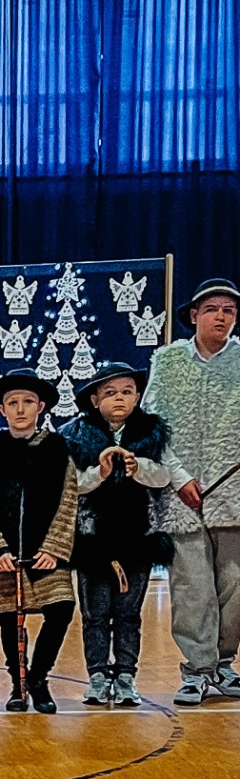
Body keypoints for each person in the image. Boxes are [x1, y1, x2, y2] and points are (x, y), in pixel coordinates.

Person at [142, 278, 240, 705]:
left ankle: (224, 664)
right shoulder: (167, 361)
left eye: (229, 311)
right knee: (192, 587)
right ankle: (197, 670)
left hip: (234, 496)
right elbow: (152, 424)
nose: (221, 316)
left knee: (235, 585)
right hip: (181, 497)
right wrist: (179, 477)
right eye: (213, 309)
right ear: (195, 315)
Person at [61, 363, 178, 708]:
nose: (119, 399)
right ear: (95, 399)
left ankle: (126, 675)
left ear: (137, 396)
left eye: (127, 392)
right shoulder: (76, 435)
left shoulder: (151, 432)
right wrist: (101, 472)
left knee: (128, 613)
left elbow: (164, 476)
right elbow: (71, 483)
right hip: (93, 539)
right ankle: (97, 675)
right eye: (110, 393)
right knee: (95, 613)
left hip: (137, 538)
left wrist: (139, 467)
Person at [0, 369, 78, 714]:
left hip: (45, 554)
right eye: (13, 403)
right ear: (2, 410)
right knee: (9, 619)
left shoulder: (58, 450)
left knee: (60, 609)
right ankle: (17, 684)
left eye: (28, 402)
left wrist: (54, 548)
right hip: (4, 556)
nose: (20, 409)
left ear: (40, 407)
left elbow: (68, 501)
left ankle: (38, 677)